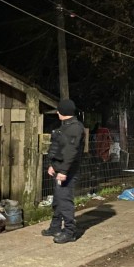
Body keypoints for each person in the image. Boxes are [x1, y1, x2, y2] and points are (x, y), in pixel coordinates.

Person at [43, 99, 84, 243]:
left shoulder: (74, 128)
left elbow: (70, 152)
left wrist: (63, 171)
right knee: (58, 199)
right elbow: (59, 149)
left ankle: (69, 232)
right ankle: (55, 226)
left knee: (65, 201)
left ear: (63, 112)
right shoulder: (65, 126)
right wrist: (53, 165)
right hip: (60, 168)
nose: (57, 113)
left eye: (59, 110)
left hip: (67, 171)